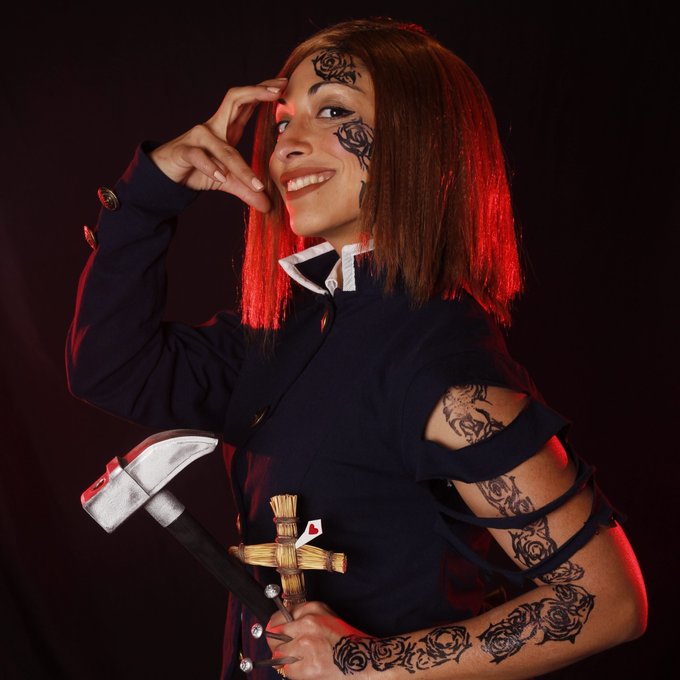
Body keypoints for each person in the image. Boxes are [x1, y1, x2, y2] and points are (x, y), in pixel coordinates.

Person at [66, 17, 647, 679]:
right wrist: (150, 194)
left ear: (421, 141)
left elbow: (606, 601)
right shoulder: (287, 331)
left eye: (333, 111)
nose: (286, 146)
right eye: (283, 122)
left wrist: (364, 662)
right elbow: (109, 366)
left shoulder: (442, 367)